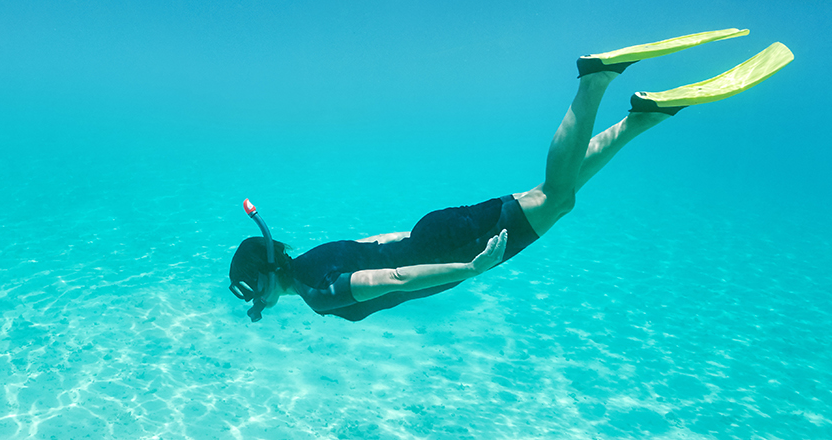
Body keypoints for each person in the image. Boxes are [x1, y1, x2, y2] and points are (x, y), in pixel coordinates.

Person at [228, 30, 793, 323]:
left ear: (259, 282)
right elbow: (378, 243)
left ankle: (594, 81)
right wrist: (441, 248)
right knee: (557, 198)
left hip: (449, 249)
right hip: (431, 233)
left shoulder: (316, 294)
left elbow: (393, 279)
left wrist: (467, 268)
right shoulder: (311, 259)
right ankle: (642, 117)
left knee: (554, 196)